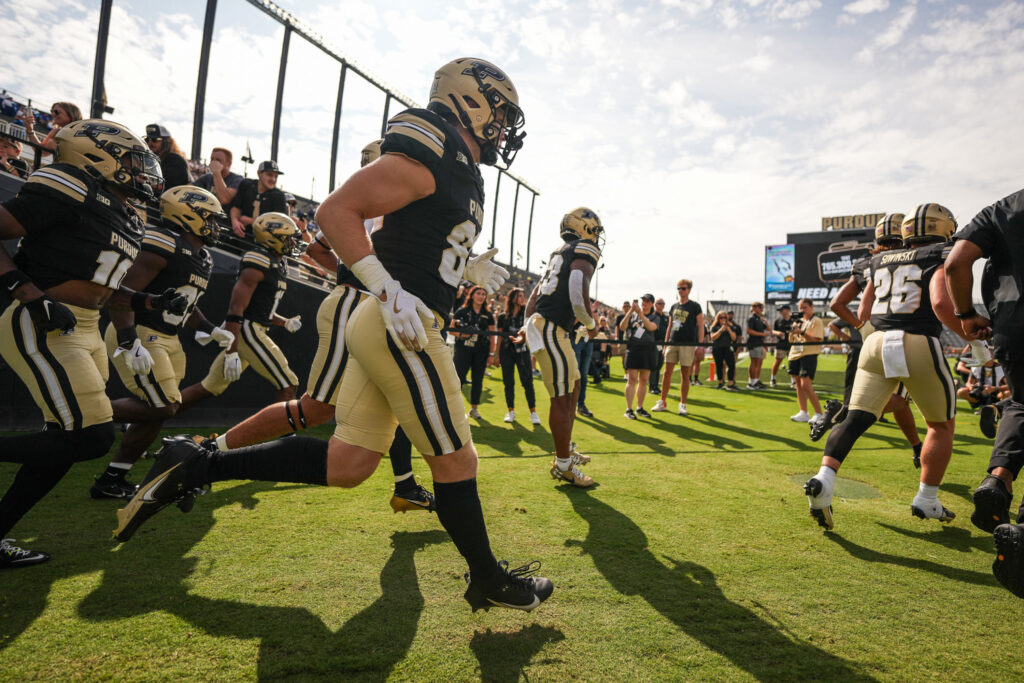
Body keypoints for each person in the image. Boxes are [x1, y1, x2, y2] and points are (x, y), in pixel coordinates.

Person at [113, 58, 553, 611]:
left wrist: (462, 270)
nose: (505, 126)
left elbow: (415, 242)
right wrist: (386, 288)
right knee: (457, 460)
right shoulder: (436, 142)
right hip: (404, 324)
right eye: (502, 112)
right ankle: (488, 578)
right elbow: (337, 210)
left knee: (348, 464)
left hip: (397, 318)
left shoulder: (461, 164)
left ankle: (198, 461)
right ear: (472, 100)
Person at [205, 140, 434, 514]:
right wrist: (357, 278)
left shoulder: (382, 206)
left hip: (368, 306)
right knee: (315, 409)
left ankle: (405, 484)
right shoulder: (373, 203)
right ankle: (209, 453)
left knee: (398, 400)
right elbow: (320, 249)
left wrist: (354, 272)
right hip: (354, 305)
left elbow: (319, 249)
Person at [0, 119, 177, 567]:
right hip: (42, 319)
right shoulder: (72, 182)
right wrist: (26, 292)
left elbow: (104, 283)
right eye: (132, 162)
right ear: (94, 155)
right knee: (92, 437)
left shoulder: (125, 213)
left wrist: (147, 300)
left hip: (87, 326)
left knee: (64, 442)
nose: (143, 173)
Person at [804, 204, 962, 530]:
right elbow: (941, 302)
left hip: (875, 344)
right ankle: (927, 498)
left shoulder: (876, 261)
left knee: (856, 417)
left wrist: (866, 331)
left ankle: (824, 479)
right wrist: (971, 334)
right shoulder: (938, 252)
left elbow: (862, 310)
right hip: (917, 339)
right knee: (941, 425)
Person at [90, 186, 233, 499]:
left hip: (168, 337)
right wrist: (129, 340)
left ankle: (112, 479)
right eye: (209, 218)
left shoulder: (202, 256)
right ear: (187, 214)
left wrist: (210, 328)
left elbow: (186, 302)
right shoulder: (163, 242)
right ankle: (80, 411)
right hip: (140, 331)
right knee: (164, 405)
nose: (215, 226)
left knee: (158, 408)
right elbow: (121, 293)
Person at [944, 188, 1024, 598]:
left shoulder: (1003, 207)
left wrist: (965, 315)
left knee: (1021, 403)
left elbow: (956, 263)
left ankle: (999, 478)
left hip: (1012, 322)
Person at [812, 214, 924, 467]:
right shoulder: (914, 256)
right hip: (904, 335)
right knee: (915, 404)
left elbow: (837, 304)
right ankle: (844, 410)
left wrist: (862, 327)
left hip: (871, 340)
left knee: (900, 401)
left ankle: (917, 447)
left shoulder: (867, 262)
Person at [177, 212, 304, 411]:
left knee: (209, 387)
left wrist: (284, 322)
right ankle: (284, 437)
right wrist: (231, 351)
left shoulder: (277, 262)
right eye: (288, 239)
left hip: (253, 328)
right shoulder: (258, 260)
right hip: (247, 331)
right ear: (272, 237)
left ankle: (152, 416)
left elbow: (261, 310)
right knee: (288, 383)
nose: (293, 244)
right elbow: (237, 308)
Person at [526, 206, 603, 486]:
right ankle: (563, 466)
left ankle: (565, 447)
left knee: (575, 385)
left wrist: (527, 324)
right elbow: (575, 287)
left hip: (550, 326)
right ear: (588, 228)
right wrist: (591, 324)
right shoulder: (584, 249)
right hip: (551, 326)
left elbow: (535, 292)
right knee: (561, 396)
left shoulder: (560, 251)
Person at [653, 279, 703, 415]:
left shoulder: (695, 306)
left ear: (689, 290)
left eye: (683, 288)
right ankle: (662, 401)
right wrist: (665, 344)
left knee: (685, 374)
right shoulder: (674, 306)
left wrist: (700, 344)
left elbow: (700, 325)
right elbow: (669, 326)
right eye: (679, 288)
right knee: (667, 373)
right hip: (672, 342)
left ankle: (683, 404)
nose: (681, 291)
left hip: (687, 343)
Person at [496, 287, 540, 425]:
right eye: (519, 295)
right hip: (506, 351)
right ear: (513, 297)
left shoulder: (526, 317)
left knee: (527, 381)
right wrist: (496, 355)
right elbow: (500, 338)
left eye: (523, 295)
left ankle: (533, 412)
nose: (522, 298)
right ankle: (510, 411)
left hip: (522, 351)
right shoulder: (503, 317)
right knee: (508, 382)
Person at [452, 286, 496, 419]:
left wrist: (491, 354)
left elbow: (492, 336)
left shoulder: (488, 315)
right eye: (478, 293)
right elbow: (451, 329)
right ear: (472, 295)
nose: (481, 296)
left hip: (481, 351)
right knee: (457, 379)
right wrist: (462, 334)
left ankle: (474, 409)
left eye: (483, 294)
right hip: (463, 349)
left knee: (478, 380)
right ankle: (455, 410)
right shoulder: (462, 311)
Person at [620, 294, 659, 418]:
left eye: (647, 301)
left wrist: (640, 315)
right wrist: (631, 310)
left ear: (652, 303)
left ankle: (639, 407)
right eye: (643, 301)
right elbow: (622, 327)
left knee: (643, 381)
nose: (644, 303)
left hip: (648, 350)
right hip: (634, 349)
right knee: (632, 378)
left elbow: (651, 327)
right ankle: (629, 409)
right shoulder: (633, 315)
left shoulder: (655, 316)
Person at [229, 160, 288, 238]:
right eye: (269, 175)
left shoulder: (279, 196)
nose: (273, 179)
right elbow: (236, 206)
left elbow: (277, 225)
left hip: (263, 240)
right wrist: (235, 221)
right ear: (259, 173)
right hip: (239, 233)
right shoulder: (247, 184)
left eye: (276, 176)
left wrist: (250, 221)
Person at [788, 298, 825, 422]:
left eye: (805, 308)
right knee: (798, 385)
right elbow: (790, 340)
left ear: (812, 307)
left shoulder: (817, 321)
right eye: (800, 308)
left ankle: (819, 414)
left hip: (808, 354)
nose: (802, 310)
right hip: (794, 354)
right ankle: (803, 412)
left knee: (806, 385)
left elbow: (816, 340)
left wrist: (801, 332)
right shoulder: (798, 321)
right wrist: (792, 331)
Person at [145, 124, 192, 190]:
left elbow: (167, 188)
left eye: (154, 139)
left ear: (166, 141)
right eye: (147, 139)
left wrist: (142, 182)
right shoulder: (152, 160)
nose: (150, 143)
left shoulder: (175, 160)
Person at [709, 311, 739, 391]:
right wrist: (721, 330)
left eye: (725, 317)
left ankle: (730, 383)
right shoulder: (714, 327)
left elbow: (734, 338)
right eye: (721, 317)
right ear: (718, 319)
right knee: (719, 365)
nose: (723, 319)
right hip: (717, 348)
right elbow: (713, 337)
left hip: (728, 348)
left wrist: (728, 329)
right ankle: (720, 382)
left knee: (732, 365)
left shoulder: (731, 326)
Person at [745, 303, 770, 389]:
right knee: (754, 363)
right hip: (754, 343)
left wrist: (766, 322)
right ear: (754, 308)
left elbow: (768, 329)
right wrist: (762, 334)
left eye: (761, 307)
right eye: (759, 307)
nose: (761, 309)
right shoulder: (752, 318)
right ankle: (751, 383)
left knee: (759, 363)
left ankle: (756, 380)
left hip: (760, 343)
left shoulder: (759, 318)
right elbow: (749, 331)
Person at [648, 298, 668, 394]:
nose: (661, 305)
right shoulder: (653, 316)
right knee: (654, 364)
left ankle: (656, 385)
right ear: (655, 305)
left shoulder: (665, 317)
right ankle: (652, 386)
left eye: (663, 303)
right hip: (655, 342)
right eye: (659, 303)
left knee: (660, 364)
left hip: (663, 343)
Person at [771, 304, 794, 387]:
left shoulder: (794, 320)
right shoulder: (778, 320)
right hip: (780, 344)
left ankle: (793, 381)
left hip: (792, 345)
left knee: (792, 363)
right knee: (777, 362)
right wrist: (777, 333)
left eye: (782, 309)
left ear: (787, 310)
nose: (780, 311)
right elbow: (773, 331)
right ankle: (773, 378)